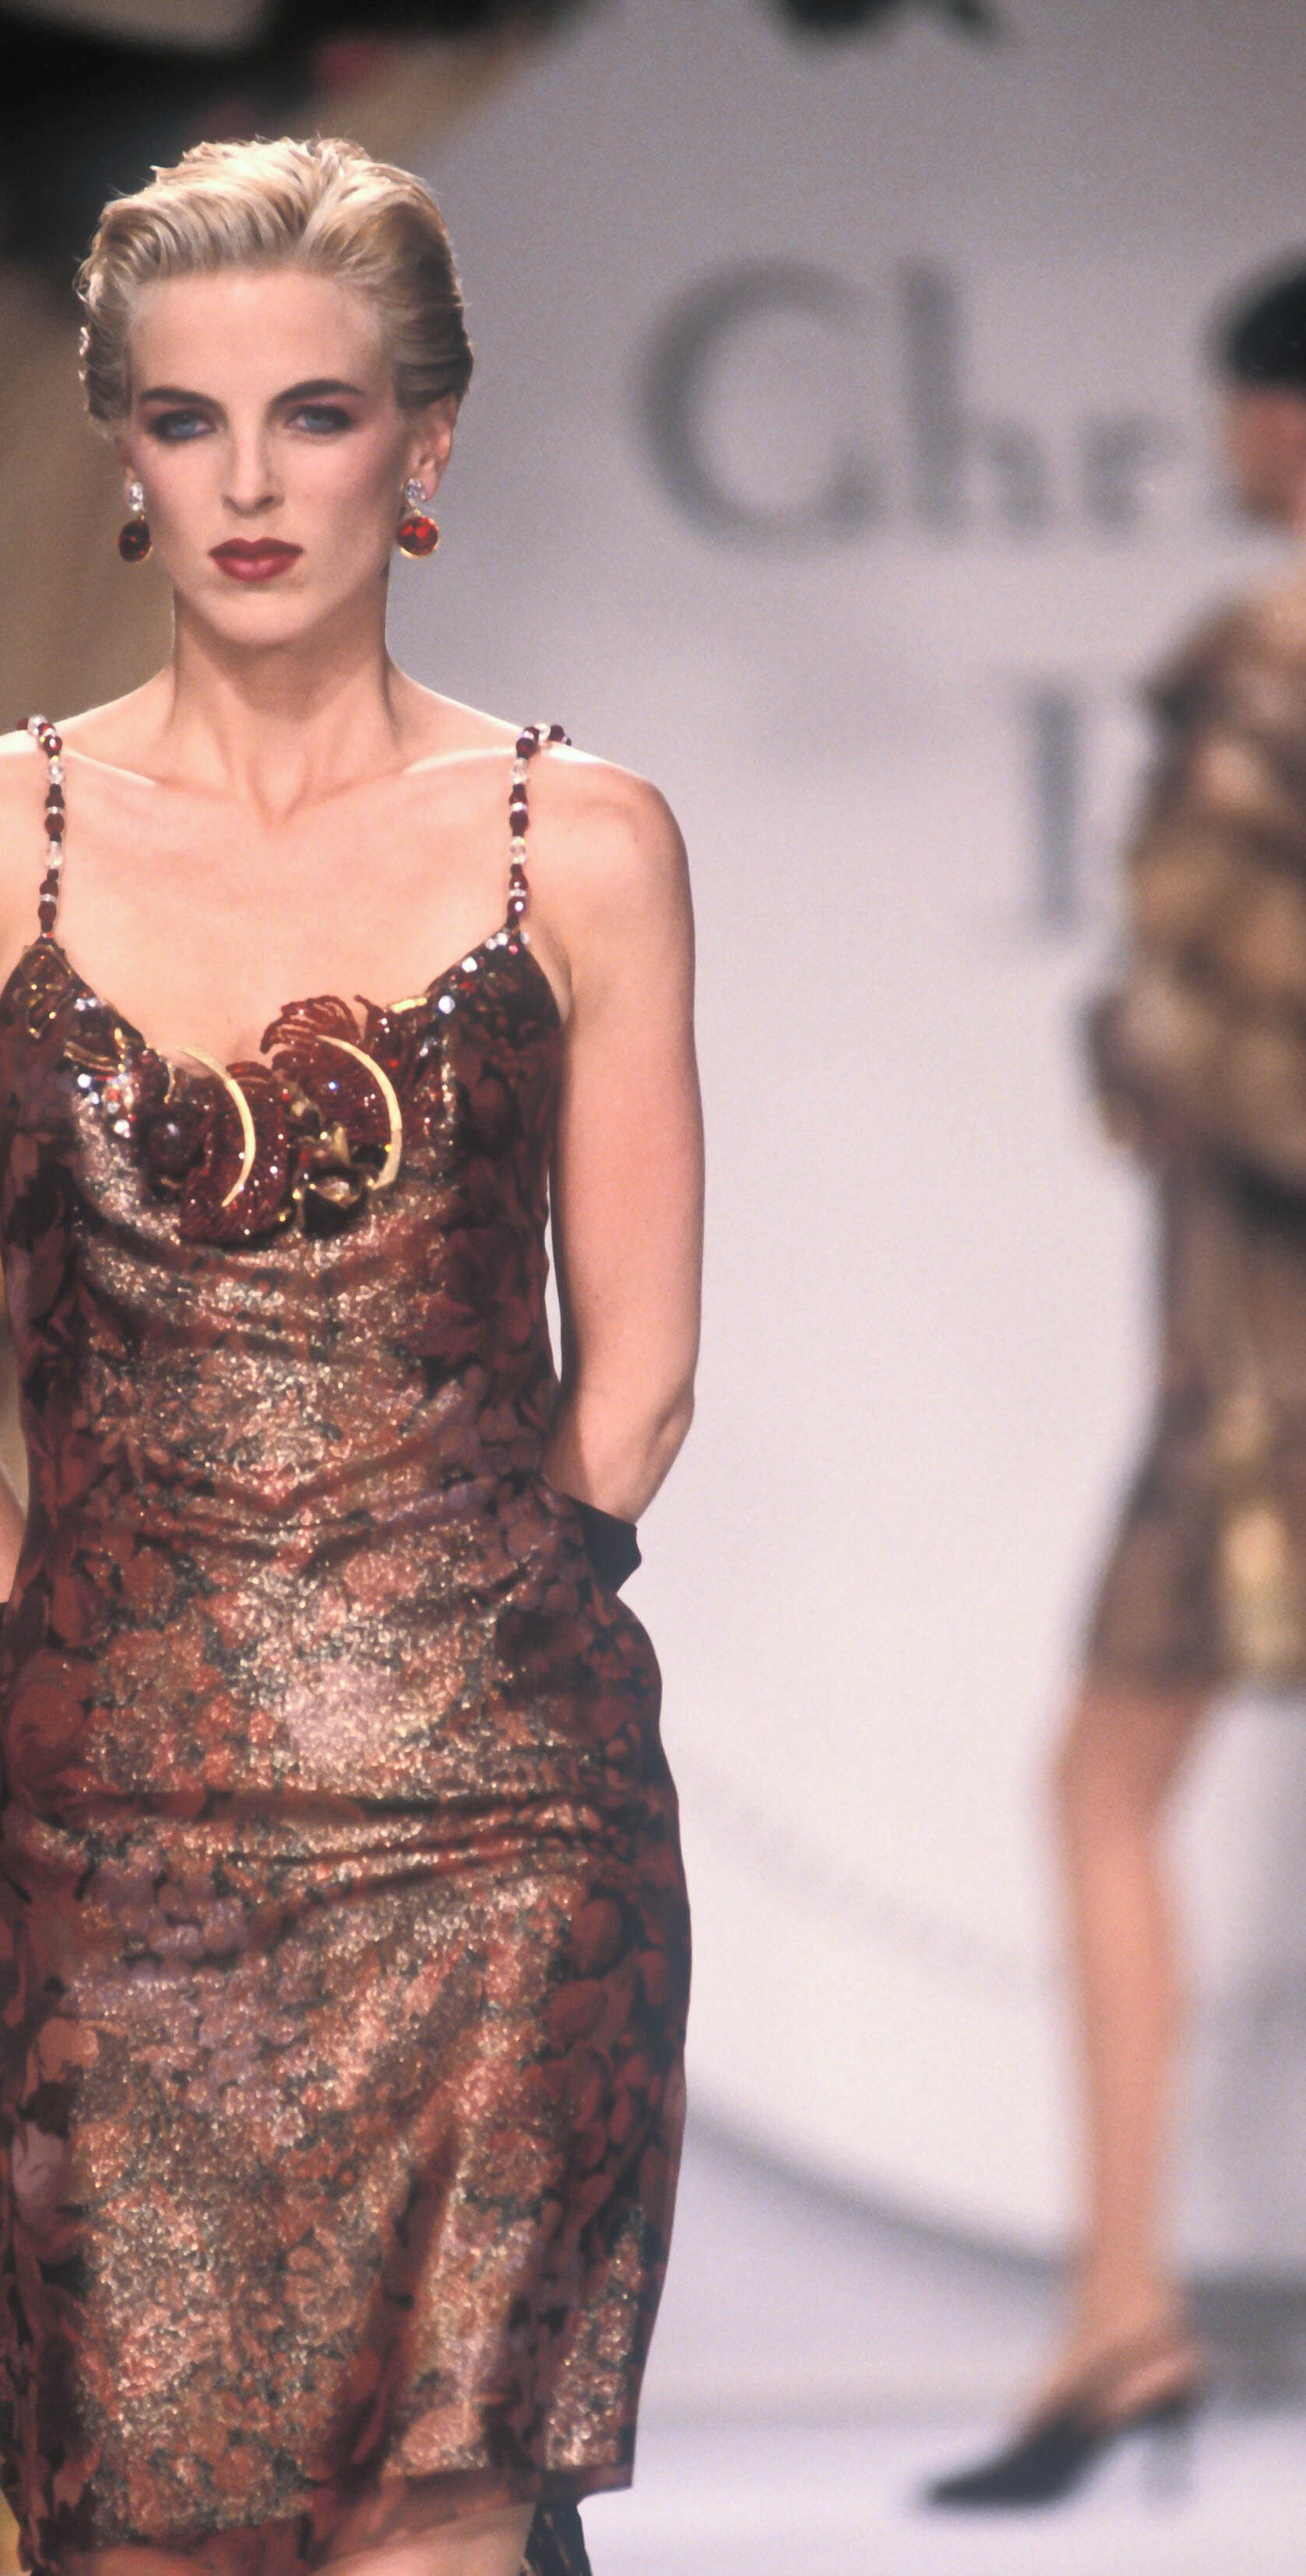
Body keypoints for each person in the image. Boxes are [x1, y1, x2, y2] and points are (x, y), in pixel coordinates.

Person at [0, 135, 702, 2576]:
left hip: (486, 1841)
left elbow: (638, 1371)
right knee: (154, 2517)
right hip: (144, 1840)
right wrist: (40, 1652)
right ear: (121, 446)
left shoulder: (579, 841)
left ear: (425, 439)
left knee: (429, 2516)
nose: (248, 482)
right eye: (187, 418)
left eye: (314, 413)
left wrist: (472, 1643)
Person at [927, 258, 1306, 2510]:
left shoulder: (1266, 666)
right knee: (1105, 1779)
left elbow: (1213, 1017)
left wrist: (1151, 1043)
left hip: (1268, 1363)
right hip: (1248, 1352)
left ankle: (1125, 2314)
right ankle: (1118, 2320)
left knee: (1099, 1785)